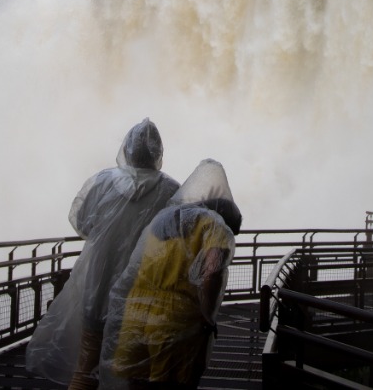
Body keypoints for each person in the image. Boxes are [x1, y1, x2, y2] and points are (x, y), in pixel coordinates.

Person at [26, 118, 179, 390]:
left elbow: (82, 223)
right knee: (133, 371)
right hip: (143, 295)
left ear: (127, 149)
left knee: (86, 366)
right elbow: (175, 241)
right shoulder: (171, 190)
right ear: (158, 154)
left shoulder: (102, 181)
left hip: (97, 289)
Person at [102, 159, 242, 390]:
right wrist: (207, 315)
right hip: (175, 318)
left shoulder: (165, 219)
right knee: (170, 382)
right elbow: (212, 271)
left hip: (136, 310)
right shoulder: (216, 227)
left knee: (135, 380)